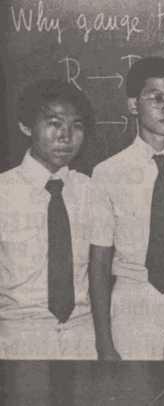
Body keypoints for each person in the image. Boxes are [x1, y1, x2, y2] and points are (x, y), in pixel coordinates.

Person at [89, 57, 164, 360]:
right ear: (133, 105)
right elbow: (99, 264)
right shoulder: (108, 173)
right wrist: (103, 341)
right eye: (155, 98)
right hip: (133, 298)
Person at [0, 79, 96, 359]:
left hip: (82, 334)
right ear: (26, 126)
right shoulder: (3, 192)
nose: (66, 136)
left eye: (77, 126)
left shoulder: (91, 190)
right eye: (54, 123)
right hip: (19, 334)